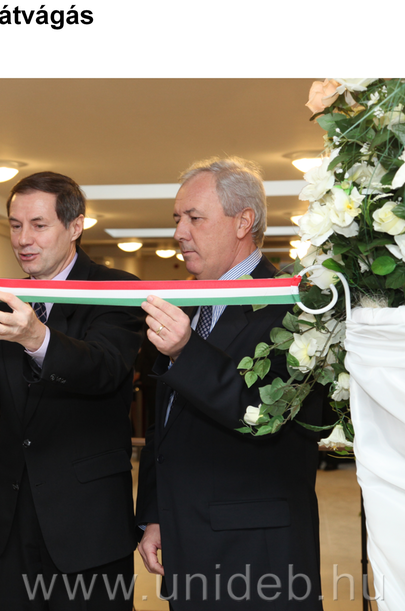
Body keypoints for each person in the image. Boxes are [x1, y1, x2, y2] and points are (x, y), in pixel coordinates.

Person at [0, 171, 143, 610]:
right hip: (14, 517)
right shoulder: (1, 301)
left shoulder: (116, 289)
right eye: (15, 225)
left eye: (38, 225)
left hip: (87, 520)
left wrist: (37, 337)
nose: (22, 239)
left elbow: (104, 370)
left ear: (75, 226)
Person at [135, 157, 325, 610]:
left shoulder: (296, 303)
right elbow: (166, 421)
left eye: (194, 218)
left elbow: (265, 415)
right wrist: (156, 514)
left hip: (257, 550)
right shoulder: (191, 301)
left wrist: (186, 351)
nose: (179, 232)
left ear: (243, 222)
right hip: (186, 536)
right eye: (177, 219)